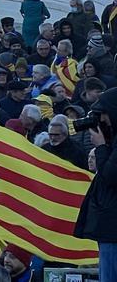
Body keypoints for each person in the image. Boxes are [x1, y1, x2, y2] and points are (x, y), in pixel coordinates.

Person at [75, 86, 117, 279]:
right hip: (109, 225)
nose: (102, 120)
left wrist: (100, 146)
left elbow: (111, 176)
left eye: (104, 114)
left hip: (112, 228)